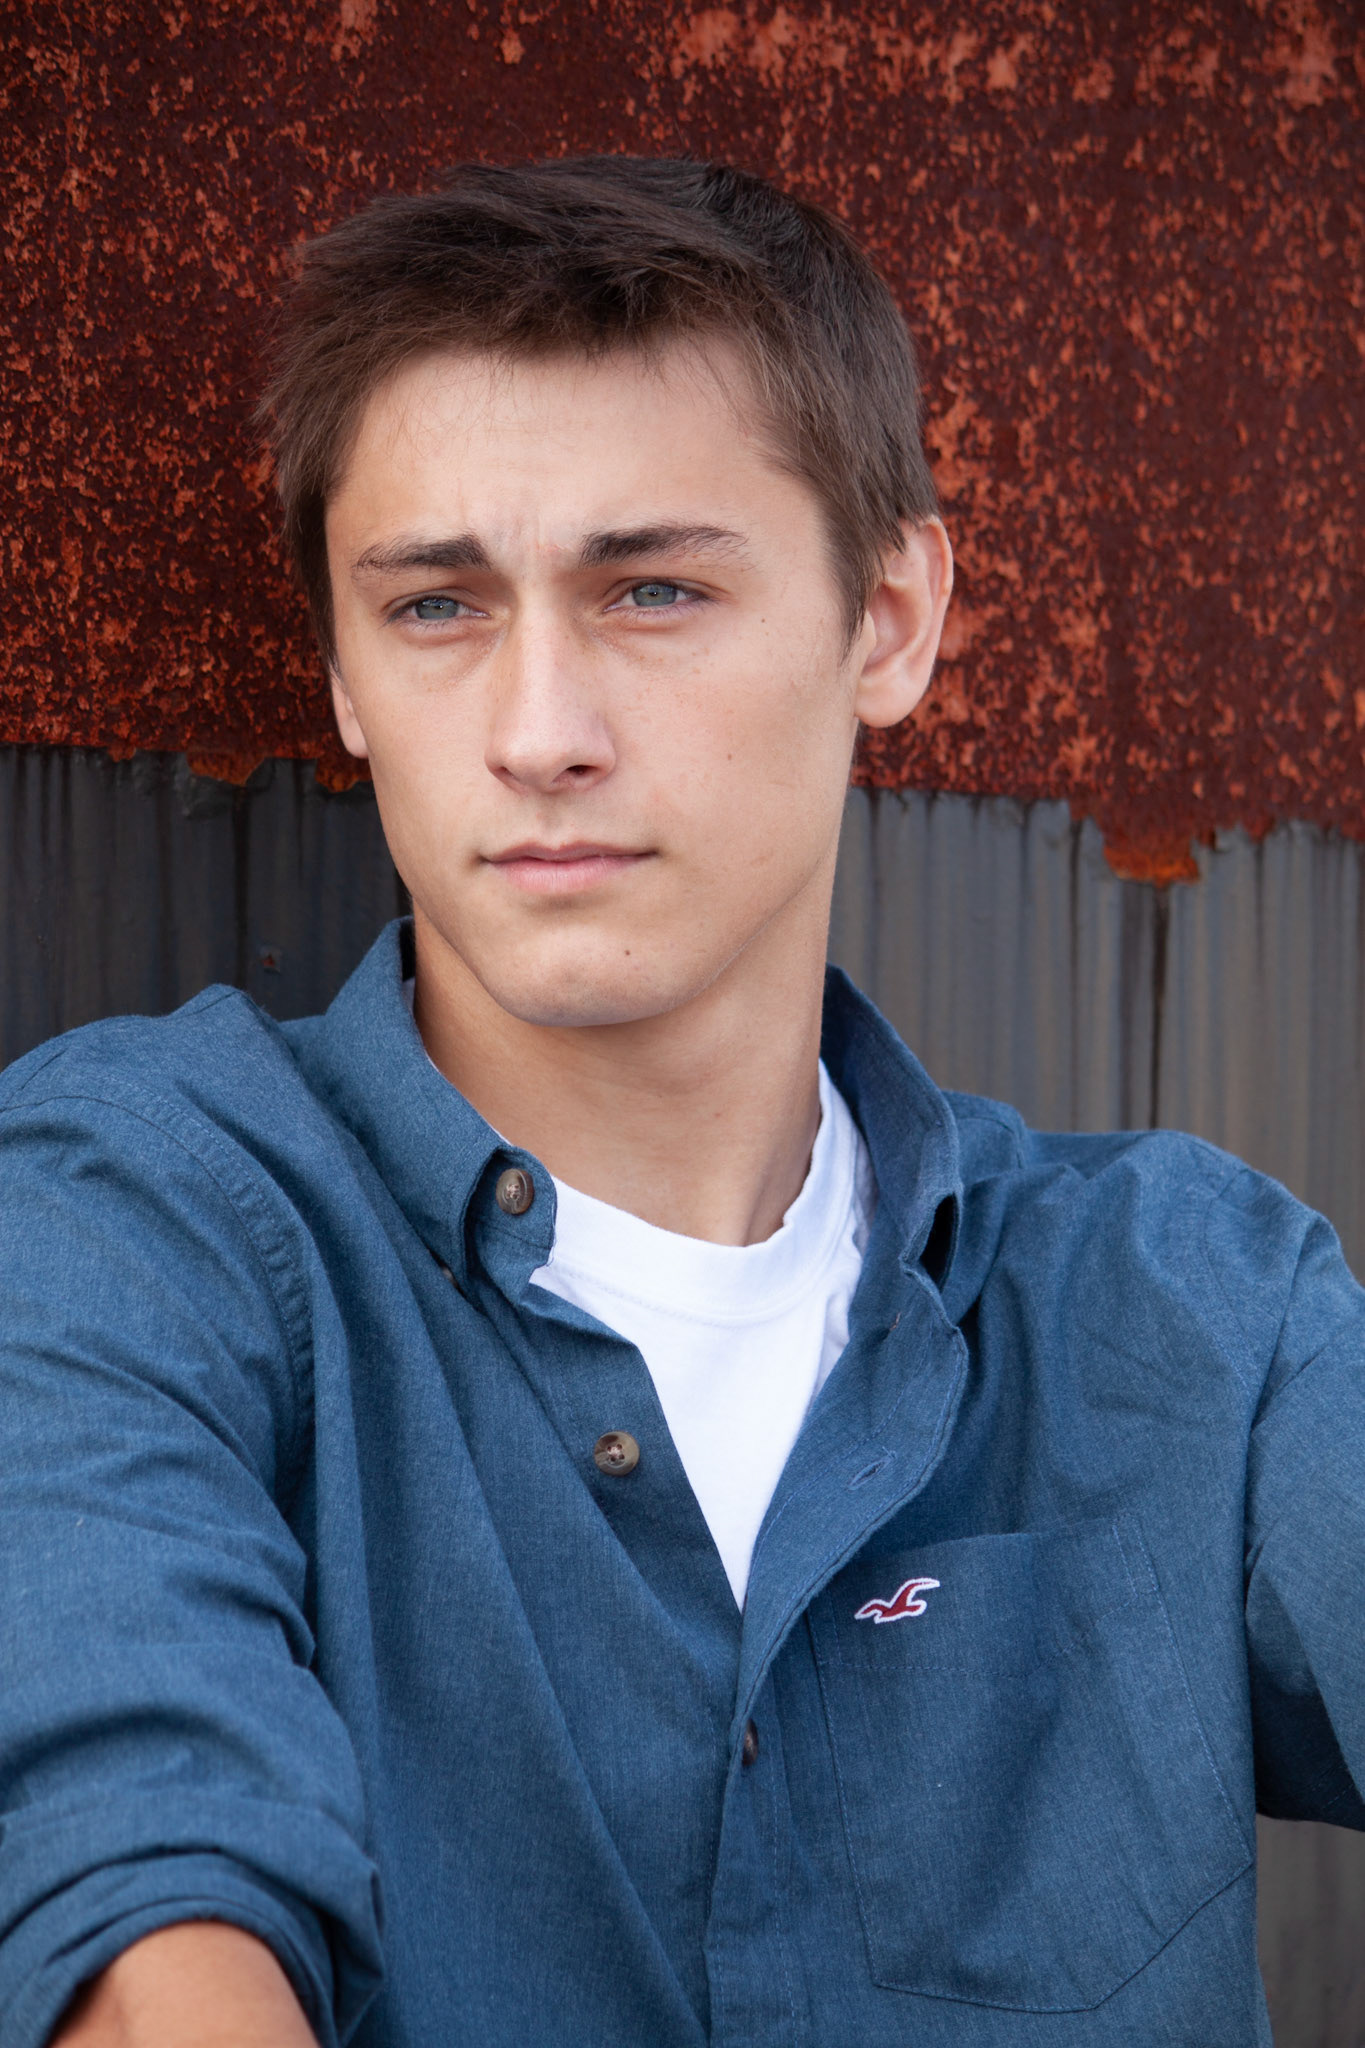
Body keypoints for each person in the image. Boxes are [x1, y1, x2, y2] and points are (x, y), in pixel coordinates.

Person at [0, 156, 1360, 2048]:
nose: (538, 730)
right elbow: (143, 1924)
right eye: (436, 605)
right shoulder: (133, 1217)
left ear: (888, 619)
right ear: (342, 672)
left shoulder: (1191, 1299)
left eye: (650, 589)